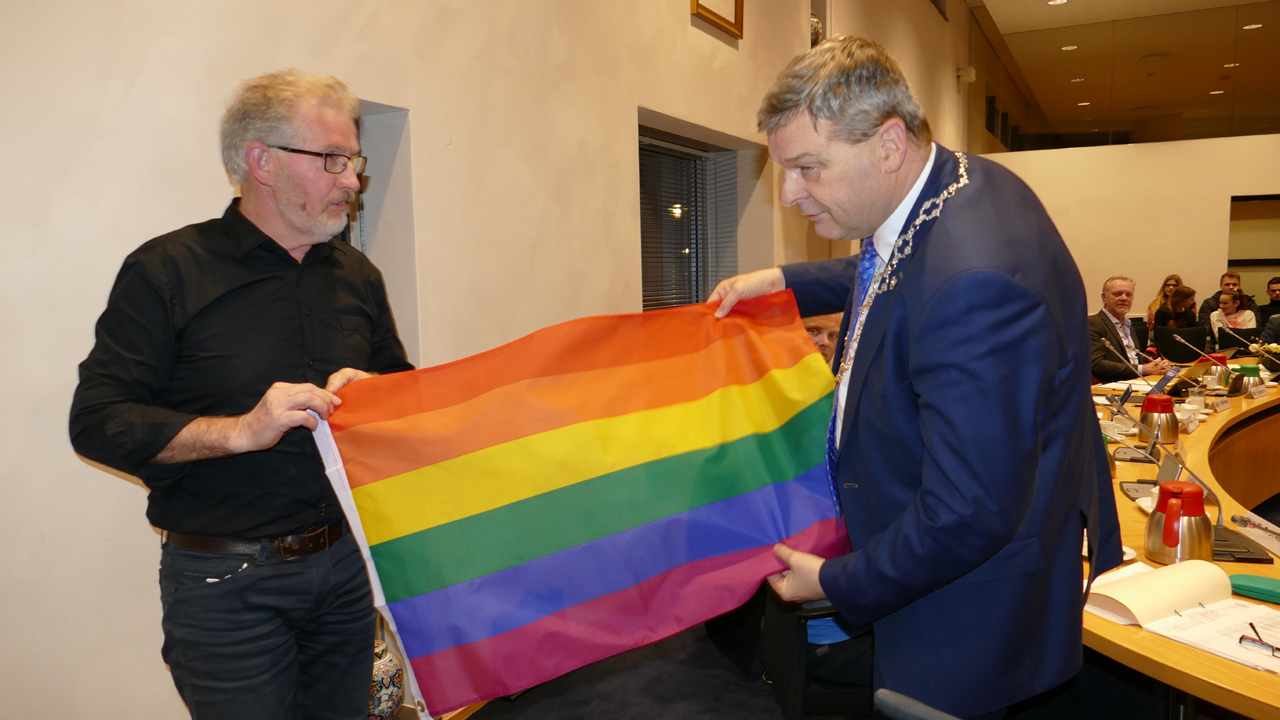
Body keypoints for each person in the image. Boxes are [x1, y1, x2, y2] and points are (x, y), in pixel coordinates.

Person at [708, 36, 1121, 719]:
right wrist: (782, 280)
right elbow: (888, 268)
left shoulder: (974, 281)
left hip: (967, 607)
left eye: (807, 168)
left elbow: (969, 510)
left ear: (889, 144)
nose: (788, 194)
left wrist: (838, 580)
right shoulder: (954, 186)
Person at [69, 69, 414, 720]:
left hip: (345, 569)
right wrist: (239, 431)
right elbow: (98, 423)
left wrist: (379, 398)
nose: (352, 180)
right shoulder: (167, 271)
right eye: (333, 159)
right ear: (262, 161)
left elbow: (401, 388)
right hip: (227, 586)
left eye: (354, 160)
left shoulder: (358, 275)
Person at [1089, 276, 1170, 383]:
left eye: (1128, 294)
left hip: (1137, 382)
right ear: (1104, 297)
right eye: (1117, 294)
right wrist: (1143, 369)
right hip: (1110, 386)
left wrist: (1155, 366)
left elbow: (1134, 362)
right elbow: (1096, 364)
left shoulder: (1128, 325)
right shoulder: (1093, 323)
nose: (1124, 298)